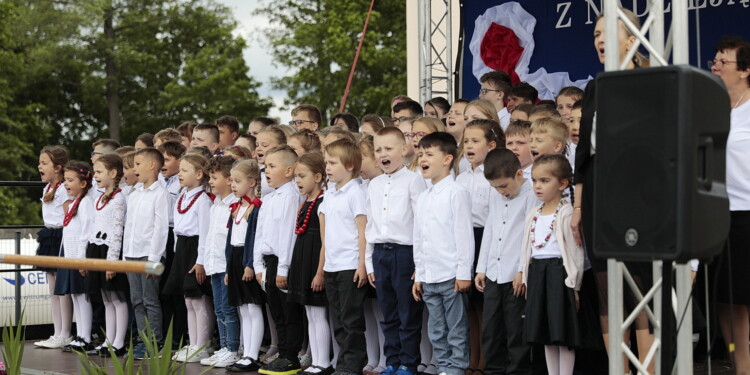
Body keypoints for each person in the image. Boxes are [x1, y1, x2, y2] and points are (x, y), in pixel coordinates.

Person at [572, 10, 652, 373]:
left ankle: (648, 368)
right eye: (594, 35)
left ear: (633, 38)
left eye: (606, 32)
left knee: (640, 290)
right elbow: (583, 154)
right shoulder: (596, 87)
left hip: (637, 198)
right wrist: (577, 207)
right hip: (596, 202)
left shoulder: (652, 81)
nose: (598, 40)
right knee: (607, 294)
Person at [365, 127, 427, 375]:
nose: (383, 154)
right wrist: (369, 263)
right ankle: (391, 362)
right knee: (388, 312)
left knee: (407, 313)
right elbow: (370, 224)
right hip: (380, 254)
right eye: (378, 149)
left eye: (388, 148)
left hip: (405, 253)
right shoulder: (374, 184)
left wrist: (419, 265)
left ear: (404, 150)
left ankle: (408, 363)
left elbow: (422, 224)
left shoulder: (414, 181)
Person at [412, 132, 474, 375]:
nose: (422, 159)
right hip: (430, 275)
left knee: (456, 329)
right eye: (420, 154)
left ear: (447, 159)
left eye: (429, 154)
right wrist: (419, 275)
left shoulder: (456, 192)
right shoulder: (423, 196)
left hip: (451, 275)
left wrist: (463, 272)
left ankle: (457, 367)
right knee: (436, 329)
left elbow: (463, 235)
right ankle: (443, 367)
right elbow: (419, 238)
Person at [475, 149, 538, 375]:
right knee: (491, 329)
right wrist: (481, 268)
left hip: (515, 274)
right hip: (494, 272)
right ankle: (493, 370)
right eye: (495, 188)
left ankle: (518, 371)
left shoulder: (531, 195)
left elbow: (529, 237)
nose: (501, 192)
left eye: (504, 186)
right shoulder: (496, 196)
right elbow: (490, 230)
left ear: (519, 174)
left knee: (516, 330)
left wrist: (522, 270)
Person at [520, 154, 583, 375]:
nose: (537, 186)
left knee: (561, 334)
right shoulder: (533, 214)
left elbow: (575, 253)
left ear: (563, 183)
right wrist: (526, 278)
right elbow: (527, 249)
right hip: (538, 274)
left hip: (559, 275)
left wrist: (574, 286)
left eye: (545, 181)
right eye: (535, 180)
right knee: (545, 333)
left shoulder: (565, 213)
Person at [712, 35, 750, 375]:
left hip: (747, 212)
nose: (716, 67)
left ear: (746, 70)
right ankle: (739, 364)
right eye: (715, 61)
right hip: (716, 213)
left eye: (724, 62)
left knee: (744, 299)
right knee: (725, 297)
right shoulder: (714, 108)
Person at [456, 119, 503, 375]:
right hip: (464, 241)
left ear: (491, 145)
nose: (469, 146)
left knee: (485, 306)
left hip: (486, 239)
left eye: (476, 141)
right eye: (466, 141)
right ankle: (472, 360)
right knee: (469, 307)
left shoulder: (492, 177)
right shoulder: (461, 179)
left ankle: (486, 361)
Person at [254, 145, 306, 375]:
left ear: (289, 171)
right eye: (266, 166)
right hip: (269, 262)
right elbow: (260, 233)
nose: (266, 170)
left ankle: (291, 356)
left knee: (289, 312)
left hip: (284, 262)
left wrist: (283, 268)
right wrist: (257, 264)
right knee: (276, 311)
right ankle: (283, 354)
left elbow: (288, 235)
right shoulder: (270, 197)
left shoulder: (291, 196)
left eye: (272, 166)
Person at [320, 138, 369, 375]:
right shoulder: (329, 194)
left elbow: (362, 231)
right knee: (337, 319)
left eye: (332, 163)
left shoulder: (356, 193)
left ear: (350, 165)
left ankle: (353, 364)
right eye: (326, 162)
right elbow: (326, 235)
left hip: (350, 264)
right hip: (332, 265)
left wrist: (362, 265)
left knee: (351, 320)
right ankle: (343, 362)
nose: (327, 167)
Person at [288, 152, 333, 375]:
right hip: (302, 258)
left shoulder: (323, 202)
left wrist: (320, 272)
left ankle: (323, 361)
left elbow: (326, 240)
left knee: (318, 313)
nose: (297, 180)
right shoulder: (305, 201)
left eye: (302, 175)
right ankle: (315, 360)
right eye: (296, 176)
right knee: (309, 313)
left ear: (317, 176)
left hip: (315, 259)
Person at [166, 154, 214, 363]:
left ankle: (202, 344)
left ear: (199, 174)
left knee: (198, 299)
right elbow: (178, 229)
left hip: (196, 249)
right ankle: (193, 342)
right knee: (188, 301)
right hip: (183, 249)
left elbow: (205, 232)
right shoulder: (182, 196)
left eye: (185, 170)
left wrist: (201, 260)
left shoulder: (202, 200)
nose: (180, 174)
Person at [124, 148, 170, 359]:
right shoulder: (134, 194)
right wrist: (125, 255)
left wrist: (154, 258)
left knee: (150, 299)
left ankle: (155, 343)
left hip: (147, 256)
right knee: (137, 300)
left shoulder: (160, 194)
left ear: (152, 165)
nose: (135, 169)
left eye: (138, 164)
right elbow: (129, 227)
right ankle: (143, 341)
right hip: (131, 255)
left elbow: (160, 229)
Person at [198, 156, 242, 368]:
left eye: (214, 177)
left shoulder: (234, 205)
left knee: (228, 309)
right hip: (214, 265)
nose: (211, 182)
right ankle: (224, 347)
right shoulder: (216, 204)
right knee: (219, 309)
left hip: (226, 267)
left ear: (229, 179)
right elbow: (209, 237)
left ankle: (233, 348)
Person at [224, 159, 267, 372]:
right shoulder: (235, 207)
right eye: (231, 180)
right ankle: (245, 351)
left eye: (237, 181)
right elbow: (231, 238)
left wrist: (250, 264)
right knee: (242, 308)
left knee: (253, 306)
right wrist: (227, 266)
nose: (233, 185)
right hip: (235, 259)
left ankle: (253, 354)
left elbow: (254, 238)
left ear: (252, 182)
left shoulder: (257, 208)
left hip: (247, 259)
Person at [86, 154, 129, 357]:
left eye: (99, 172)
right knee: (105, 298)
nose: (95, 176)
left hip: (110, 251)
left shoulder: (119, 198)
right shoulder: (99, 197)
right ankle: (109, 339)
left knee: (117, 297)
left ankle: (119, 341)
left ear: (113, 173)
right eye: (95, 172)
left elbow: (117, 230)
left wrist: (112, 261)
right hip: (97, 248)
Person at [34, 146, 74, 350]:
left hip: (61, 236)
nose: (39, 166)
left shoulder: (63, 190)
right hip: (49, 235)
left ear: (58, 167)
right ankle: (57, 331)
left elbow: (69, 216)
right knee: (52, 288)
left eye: (44, 163)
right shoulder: (47, 188)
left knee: (62, 288)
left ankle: (66, 332)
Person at [56, 161, 95, 352]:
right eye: (65, 180)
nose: (66, 184)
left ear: (84, 183)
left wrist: (81, 258)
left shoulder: (86, 203)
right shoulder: (73, 203)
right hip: (69, 256)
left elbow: (86, 232)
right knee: (74, 295)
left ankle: (85, 337)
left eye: (70, 180)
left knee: (82, 296)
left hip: (79, 257)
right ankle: (79, 335)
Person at [157, 141, 187, 343]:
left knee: (176, 288)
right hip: (161, 233)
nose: (162, 164)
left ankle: (179, 336)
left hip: (175, 234)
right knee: (163, 289)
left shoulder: (180, 184)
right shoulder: (161, 180)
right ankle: (167, 334)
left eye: (167, 159)